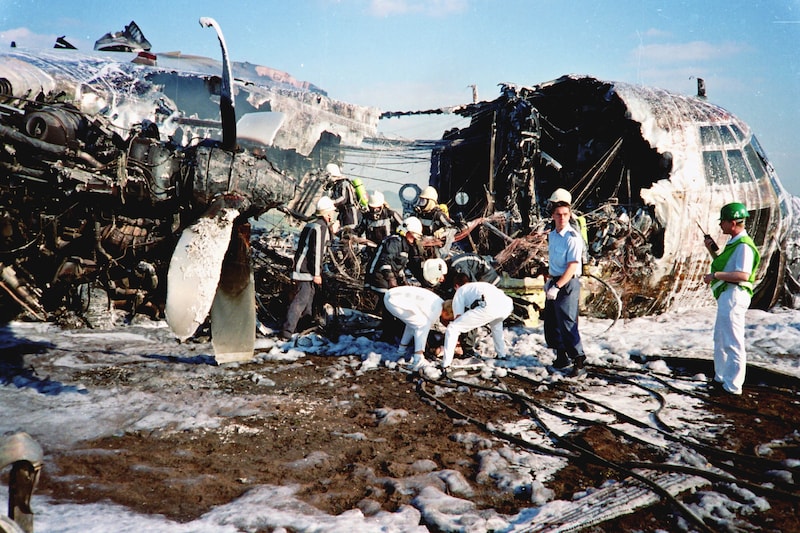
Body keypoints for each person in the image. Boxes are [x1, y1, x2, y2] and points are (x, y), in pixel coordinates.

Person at [702, 202, 760, 395]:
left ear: (733, 223)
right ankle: (720, 378)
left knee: (732, 341)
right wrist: (712, 250)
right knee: (720, 338)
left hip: (735, 295)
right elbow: (727, 266)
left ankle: (733, 386)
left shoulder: (743, 246)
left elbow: (743, 275)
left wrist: (714, 276)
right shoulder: (734, 243)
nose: (720, 224)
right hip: (728, 295)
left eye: (723, 221)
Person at [280, 196, 338, 340]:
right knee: (301, 300)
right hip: (306, 270)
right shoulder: (320, 227)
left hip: (302, 267)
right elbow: (316, 252)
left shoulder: (312, 224)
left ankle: (304, 328)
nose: (333, 214)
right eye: (331, 212)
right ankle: (286, 332)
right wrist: (317, 274)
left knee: (308, 299)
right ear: (327, 214)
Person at [543, 190, 587, 375]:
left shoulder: (572, 238)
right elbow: (554, 261)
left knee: (568, 323)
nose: (562, 218)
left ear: (570, 215)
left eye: (565, 214)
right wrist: (549, 281)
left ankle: (579, 361)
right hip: (554, 280)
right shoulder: (552, 235)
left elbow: (572, 267)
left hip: (567, 283)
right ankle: (561, 357)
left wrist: (557, 286)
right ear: (553, 216)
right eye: (558, 214)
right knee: (552, 323)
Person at [365, 216, 425, 341]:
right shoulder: (394, 242)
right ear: (407, 232)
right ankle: (388, 335)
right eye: (413, 236)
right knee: (390, 302)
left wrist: (404, 279)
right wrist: (391, 280)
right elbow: (385, 262)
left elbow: (400, 265)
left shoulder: (404, 245)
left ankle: (393, 330)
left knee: (394, 301)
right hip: (378, 276)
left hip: (385, 276)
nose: (414, 240)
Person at [440, 273, 513, 369]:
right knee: (496, 327)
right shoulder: (479, 285)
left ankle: (446, 365)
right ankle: (501, 355)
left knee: (452, 328)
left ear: (456, 286)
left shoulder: (460, 291)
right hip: (507, 305)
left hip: (488, 306)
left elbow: (458, 317)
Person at [383, 285, 444, 369]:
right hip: (394, 300)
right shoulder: (437, 310)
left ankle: (401, 350)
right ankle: (418, 359)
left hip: (391, 296)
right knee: (421, 325)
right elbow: (423, 329)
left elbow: (412, 325)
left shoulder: (439, 302)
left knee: (414, 323)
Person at [325, 163, 361, 231]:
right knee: (341, 231)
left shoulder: (344, 183)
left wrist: (331, 203)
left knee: (350, 231)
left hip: (350, 213)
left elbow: (343, 198)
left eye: (327, 176)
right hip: (343, 213)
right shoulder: (336, 185)